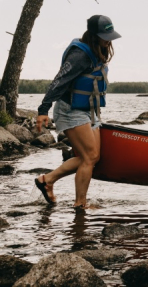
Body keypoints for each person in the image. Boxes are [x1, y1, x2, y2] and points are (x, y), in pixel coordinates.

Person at [33, 15, 121, 208]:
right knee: (89, 157)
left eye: (110, 35)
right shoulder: (79, 55)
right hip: (70, 110)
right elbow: (59, 82)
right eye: (104, 35)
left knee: (91, 157)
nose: (108, 40)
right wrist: (43, 109)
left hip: (89, 111)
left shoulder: (98, 50)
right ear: (92, 34)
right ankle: (80, 204)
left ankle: (47, 180)